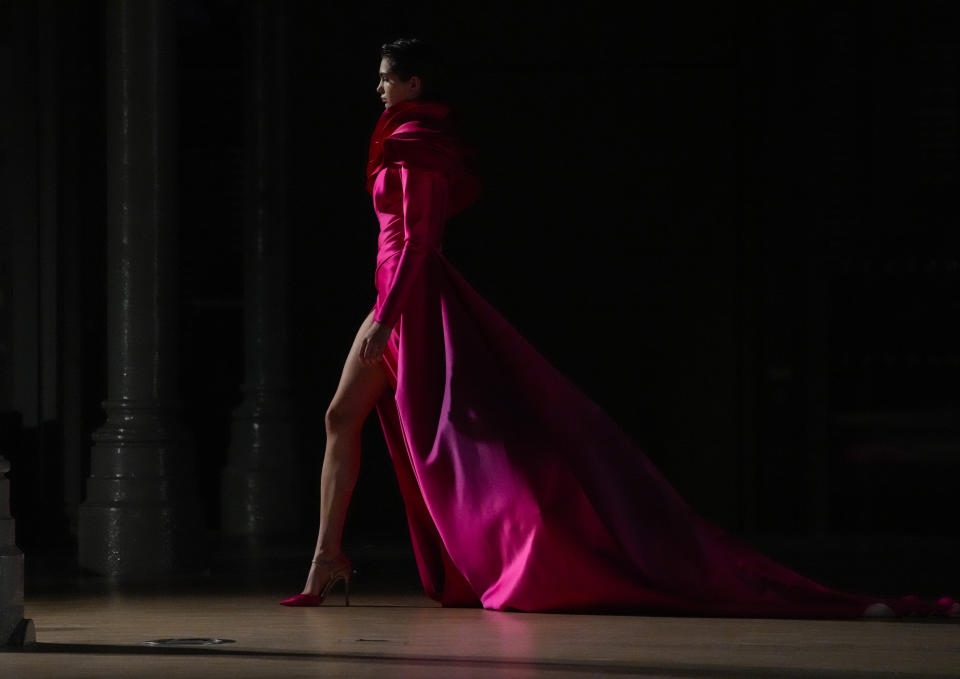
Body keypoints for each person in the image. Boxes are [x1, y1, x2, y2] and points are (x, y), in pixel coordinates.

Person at [281, 38, 958, 618]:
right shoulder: (407, 142)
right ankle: (326, 559)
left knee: (470, 439)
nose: (377, 84)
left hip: (412, 303)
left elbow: (422, 241)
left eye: (385, 74)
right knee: (342, 416)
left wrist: (390, 319)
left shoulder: (414, 146)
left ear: (414, 83)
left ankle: (535, 541)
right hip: (393, 299)